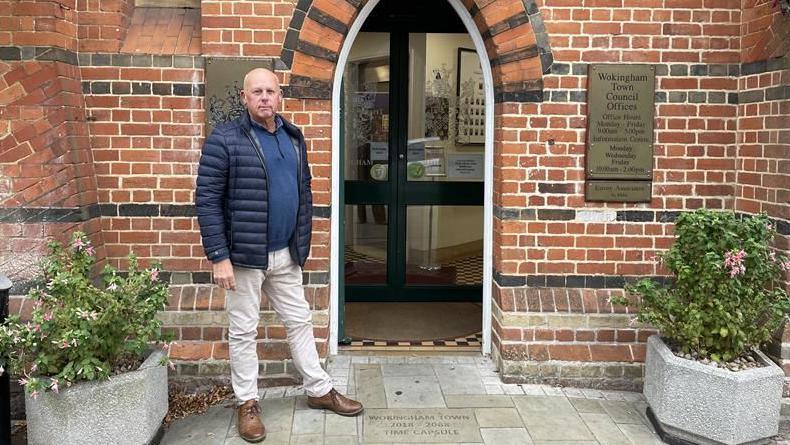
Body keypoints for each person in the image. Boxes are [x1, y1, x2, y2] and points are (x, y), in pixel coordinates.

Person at [196, 68, 363, 443]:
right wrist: (219, 255)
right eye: (257, 91)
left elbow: (303, 189)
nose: (265, 97)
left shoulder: (292, 136)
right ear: (244, 98)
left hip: (285, 254)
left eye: (270, 91)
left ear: (280, 96)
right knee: (242, 331)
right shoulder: (224, 139)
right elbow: (206, 201)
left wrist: (300, 241)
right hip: (243, 257)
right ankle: (248, 403)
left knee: (300, 320)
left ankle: (319, 389)